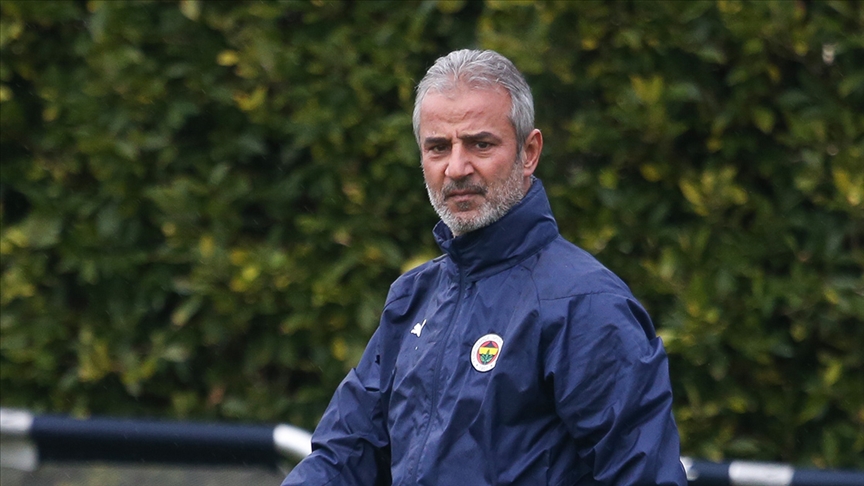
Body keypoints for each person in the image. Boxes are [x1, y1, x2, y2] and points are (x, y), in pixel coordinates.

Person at [282, 49, 686, 486]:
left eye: (480, 144)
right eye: (438, 147)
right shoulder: (412, 298)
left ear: (529, 152)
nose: (457, 168)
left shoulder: (585, 305)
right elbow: (344, 455)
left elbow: (643, 476)